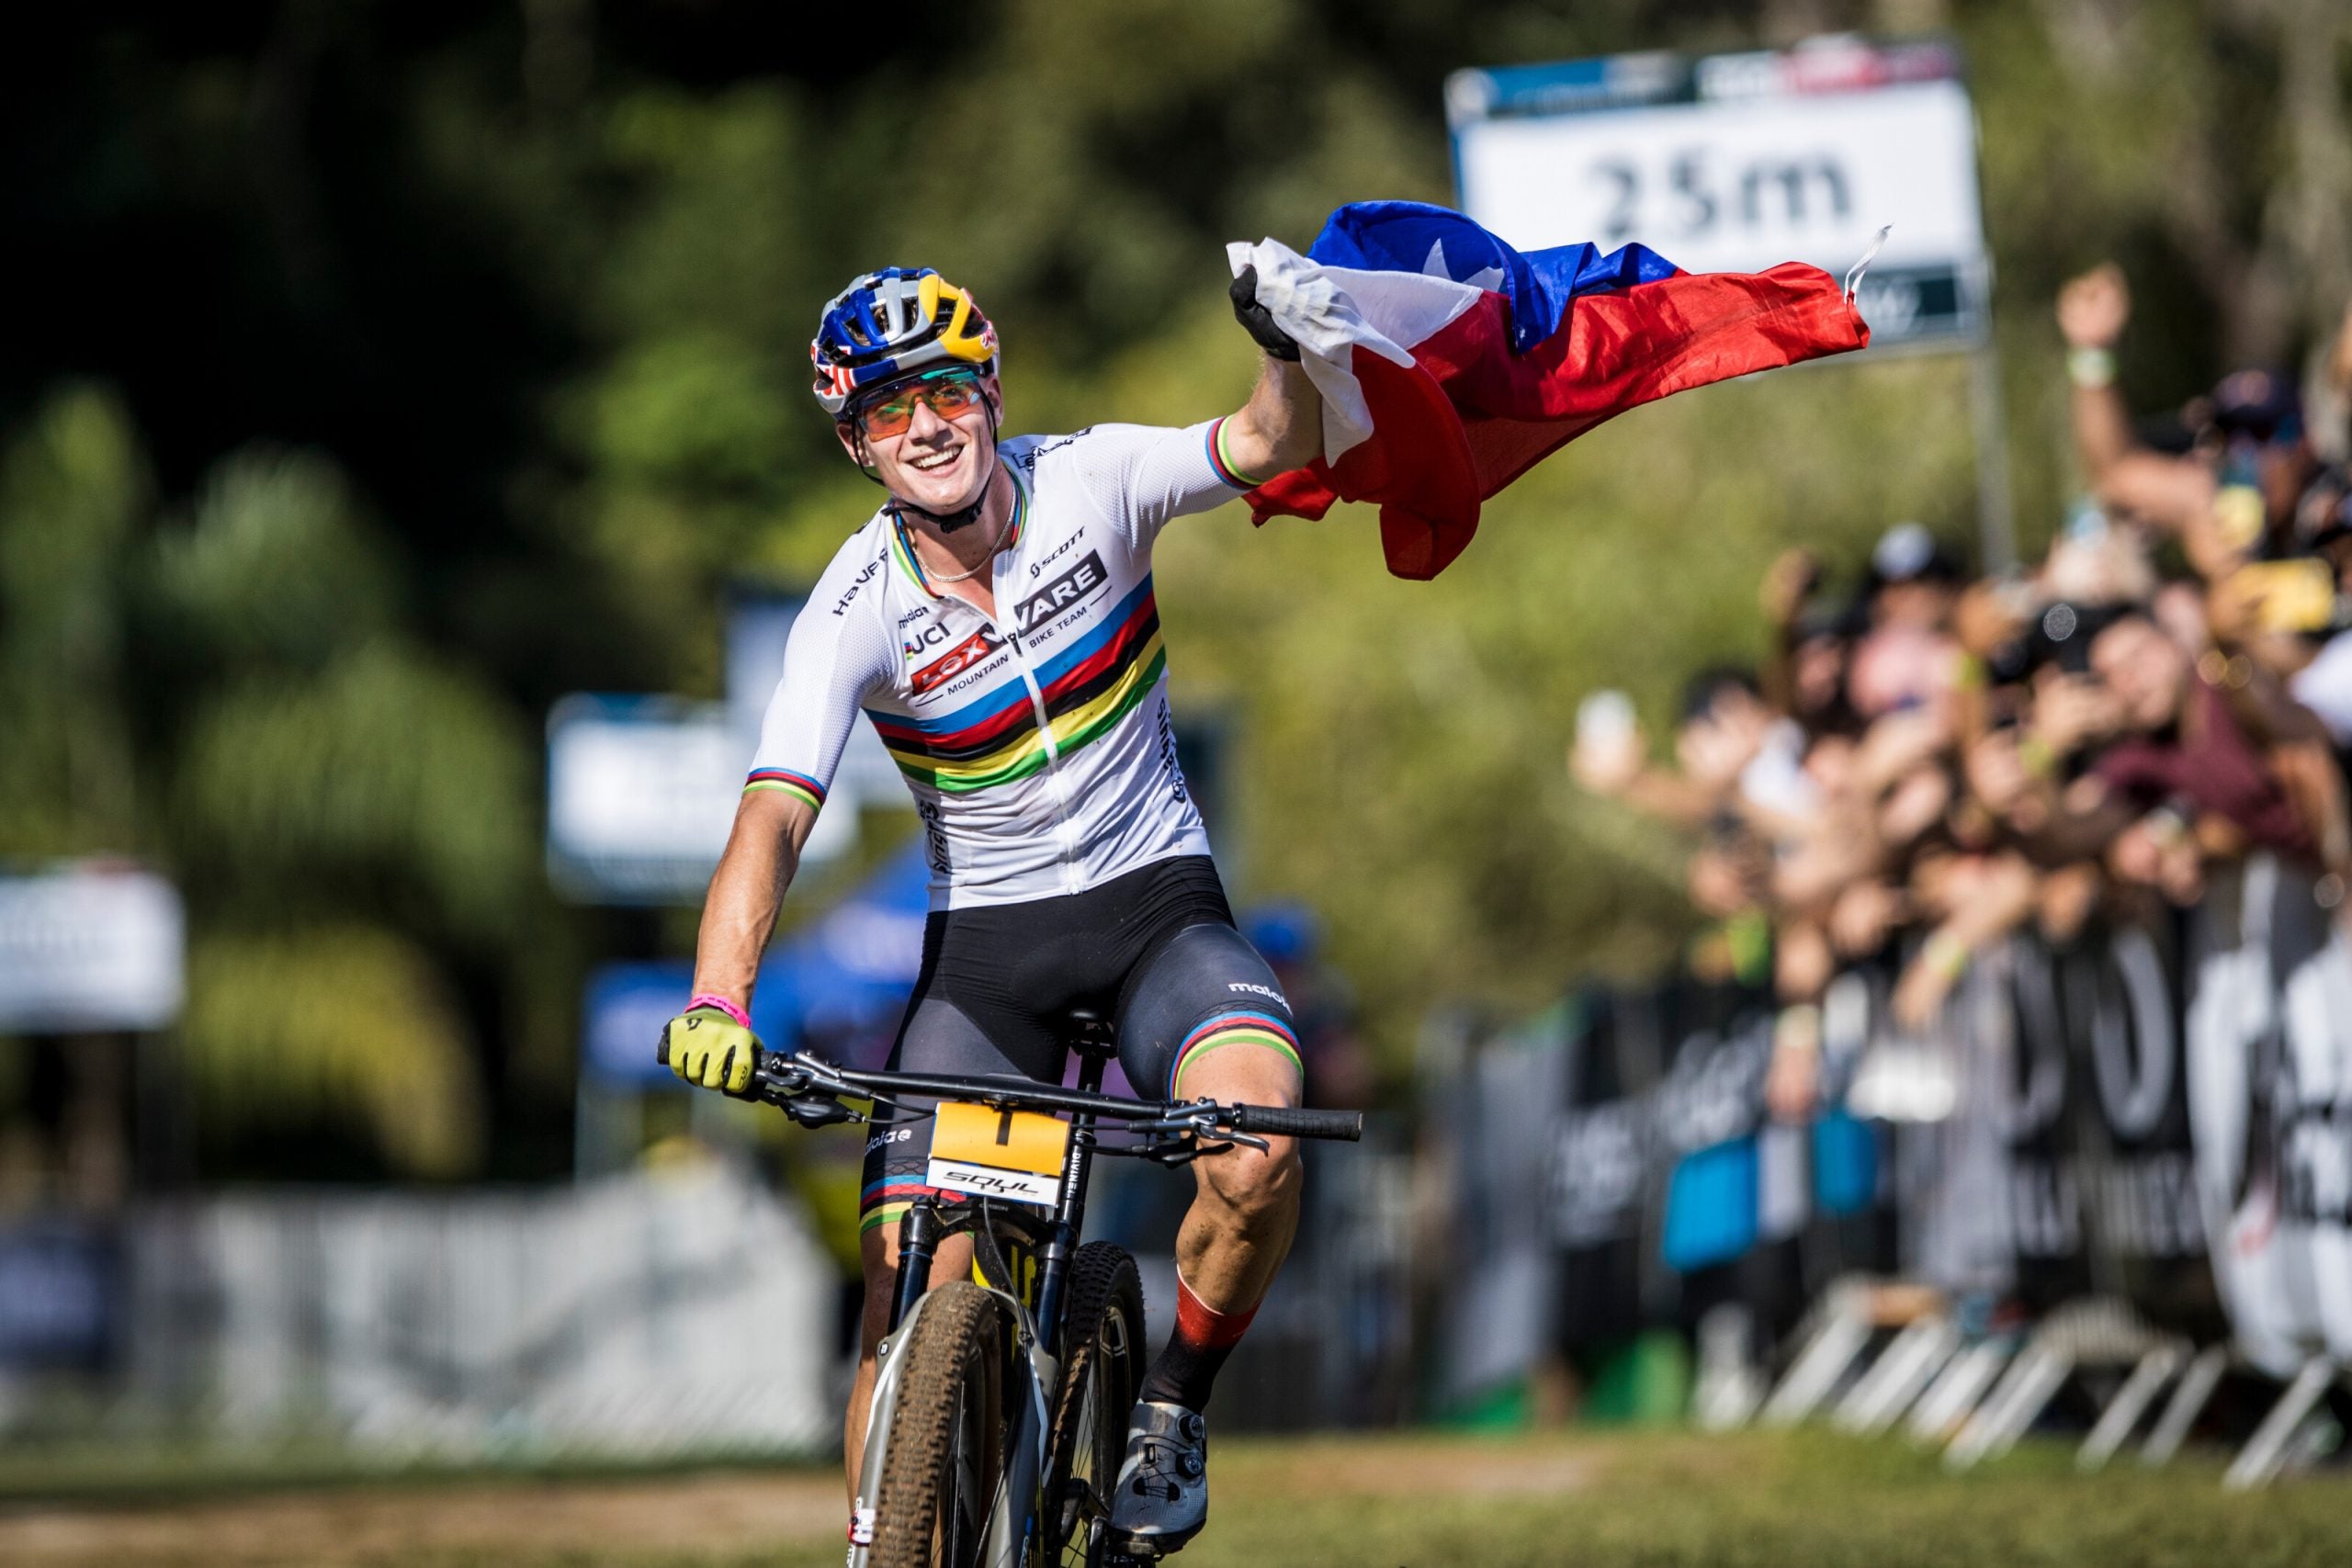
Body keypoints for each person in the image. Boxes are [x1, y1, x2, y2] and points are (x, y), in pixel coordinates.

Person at [659, 265, 1322, 1554]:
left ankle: (1173, 1407)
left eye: (947, 391)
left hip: (1162, 921)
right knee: (907, 1282)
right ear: (856, 441)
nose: (927, 427)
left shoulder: (1093, 478)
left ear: (992, 386)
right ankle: (884, 1546)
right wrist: (717, 996)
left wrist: (1285, 352)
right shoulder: (855, 604)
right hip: (990, 966)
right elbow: (774, 816)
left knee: (1259, 1155)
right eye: (889, 412)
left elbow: (1258, 444)